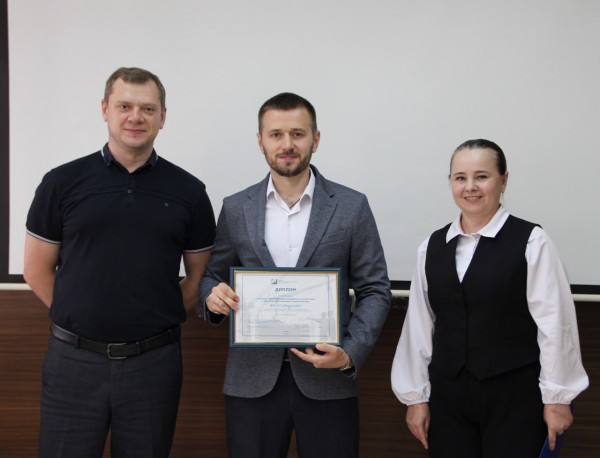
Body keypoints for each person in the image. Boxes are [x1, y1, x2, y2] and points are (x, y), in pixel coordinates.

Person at [23, 67, 216, 457]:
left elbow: (199, 278)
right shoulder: (61, 183)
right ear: (105, 110)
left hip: (153, 365)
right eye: (124, 106)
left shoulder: (190, 192)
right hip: (73, 361)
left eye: (148, 108)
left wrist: (149, 322)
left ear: (162, 117)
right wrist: (81, 316)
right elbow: (36, 269)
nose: (135, 117)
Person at [199, 92, 391, 458]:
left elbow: (375, 290)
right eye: (276, 134)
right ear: (261, 141)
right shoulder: (236, 208)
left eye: (298, 134)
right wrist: (212, 296)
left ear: (315, 139)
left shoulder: (351, 207)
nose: (287, 144)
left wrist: (349, 354)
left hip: (327, 379)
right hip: (251, 380)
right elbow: (211, 276)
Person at [391, 139, 589, 457]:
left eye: (481, 176)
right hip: (449, 398)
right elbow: (419, 326)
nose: (470, 187)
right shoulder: (431, 247)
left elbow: (555, 324)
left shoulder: (532, 241)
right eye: (460, 178)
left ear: (503, 180)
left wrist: (557, 399)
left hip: (514, 396)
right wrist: (416, 398)